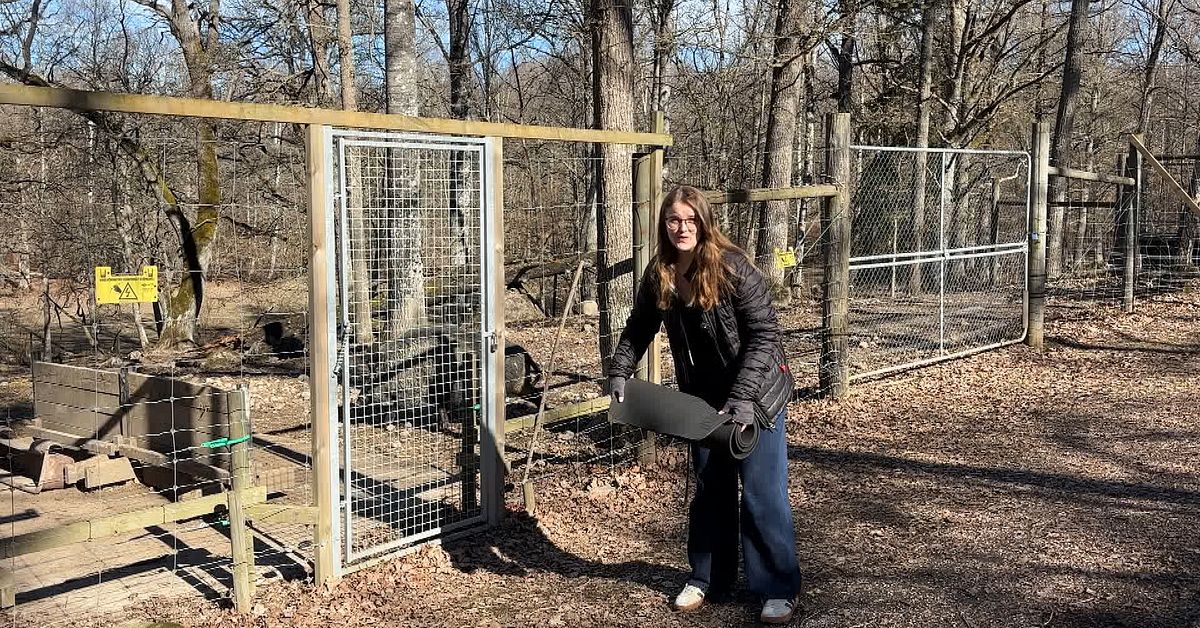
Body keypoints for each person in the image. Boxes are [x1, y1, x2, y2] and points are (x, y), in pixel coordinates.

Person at [607, 185, 802, 624]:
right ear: (664, 225)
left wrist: (744, 398)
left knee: (761, 493)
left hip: (758, 396)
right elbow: (638, 327)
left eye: (690, 219)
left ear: (704, 222)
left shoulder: (734, 268)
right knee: (710, 489)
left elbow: (766, 337)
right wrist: (620, 370)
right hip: (706, 400)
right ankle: (708, 577)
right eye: (674, 220)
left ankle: (778, 587)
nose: (682, 228)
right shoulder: (661, 272)